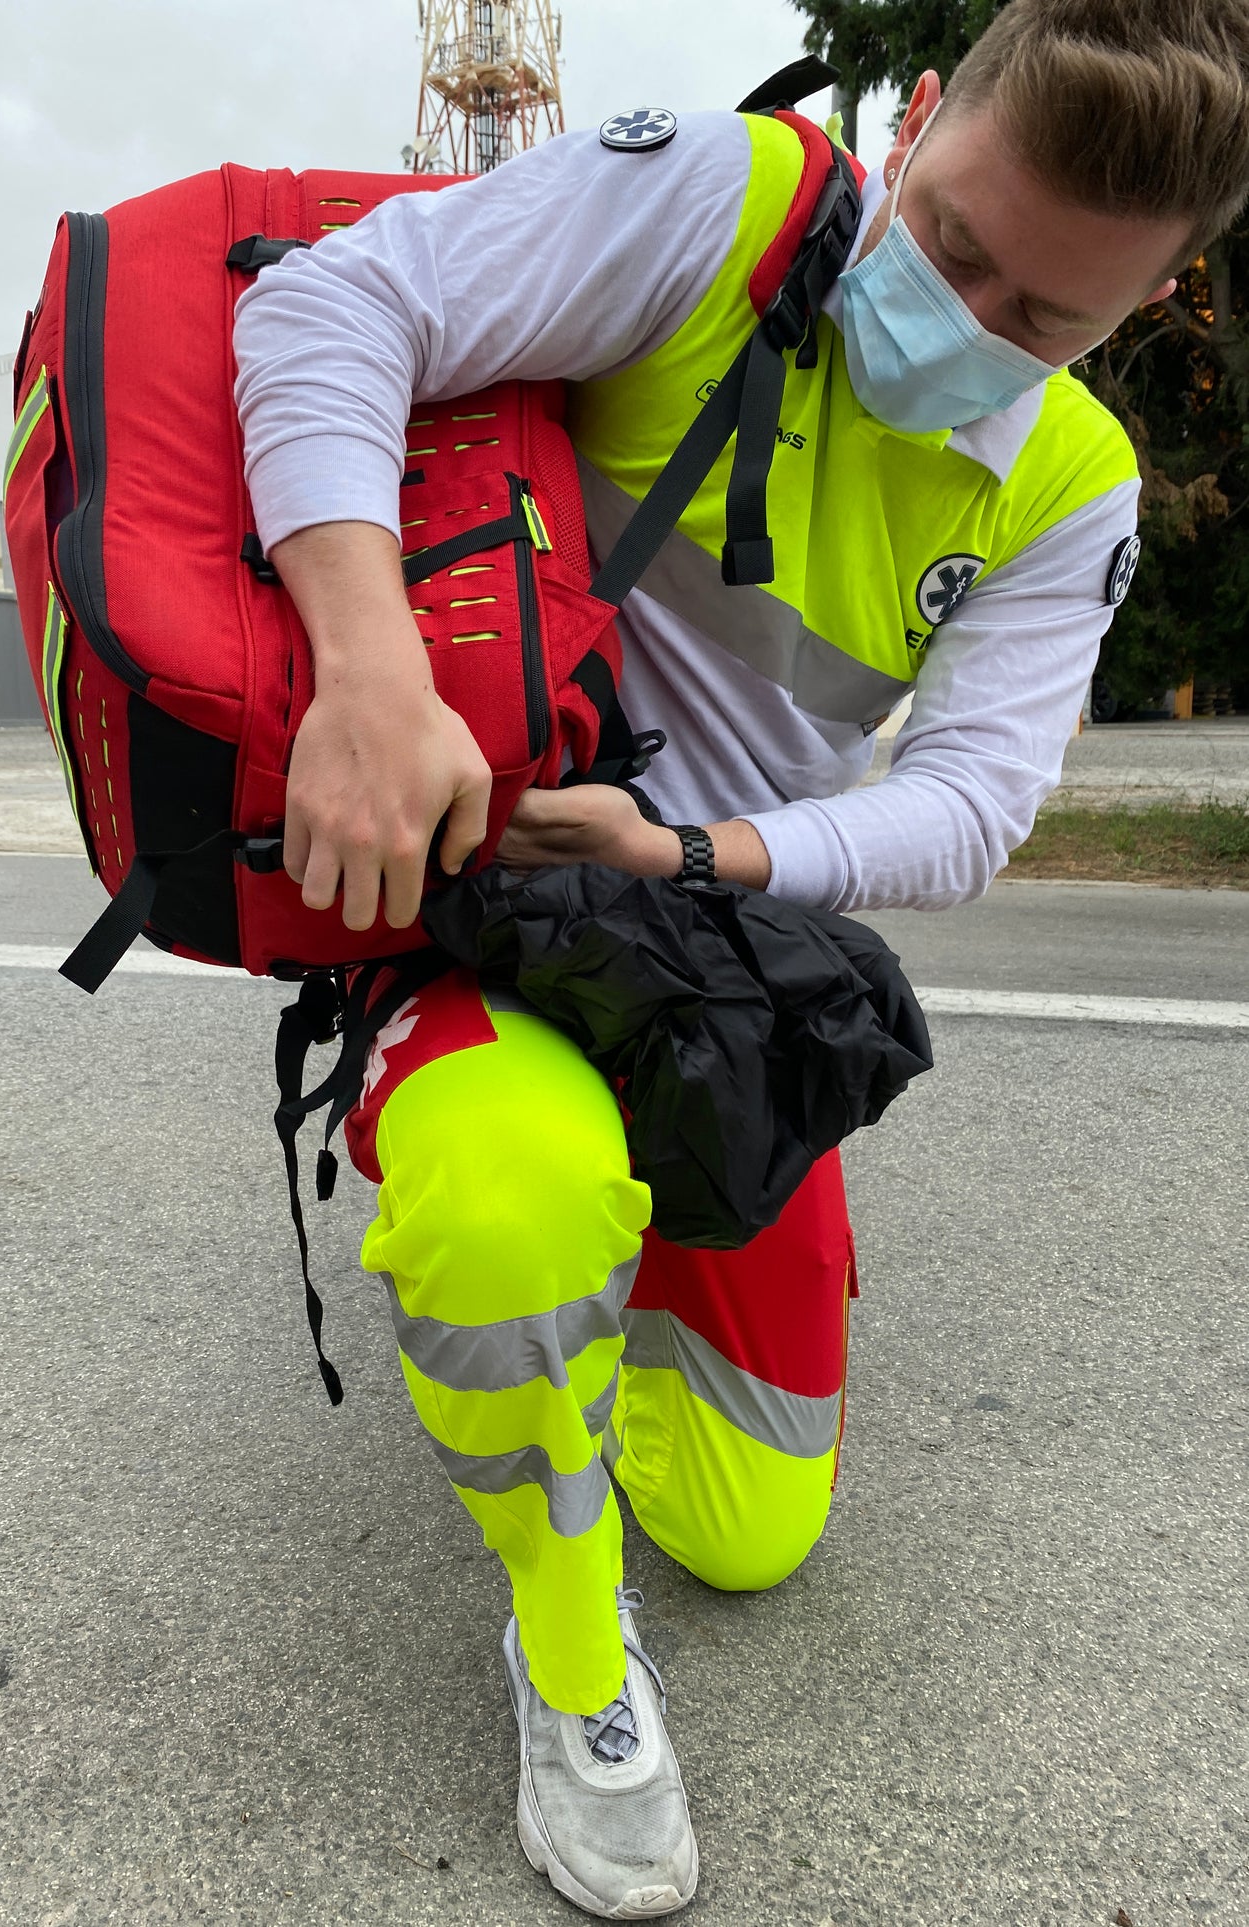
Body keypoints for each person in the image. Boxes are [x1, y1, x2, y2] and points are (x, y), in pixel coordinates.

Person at [233, 0, 1249, 1913]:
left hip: (707, 944)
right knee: (509, 1214)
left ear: (1144, 303)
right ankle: (563, 1642)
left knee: (754, 1531)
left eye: (1045, 316)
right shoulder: (722, 198)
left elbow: (965, 805)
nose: (967, 316)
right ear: (918, 114)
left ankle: (584, 1313)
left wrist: (697, 849)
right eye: (952, 241)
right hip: (488, 897)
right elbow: (319, 309)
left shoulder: (1070, 485)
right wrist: (368, 675)